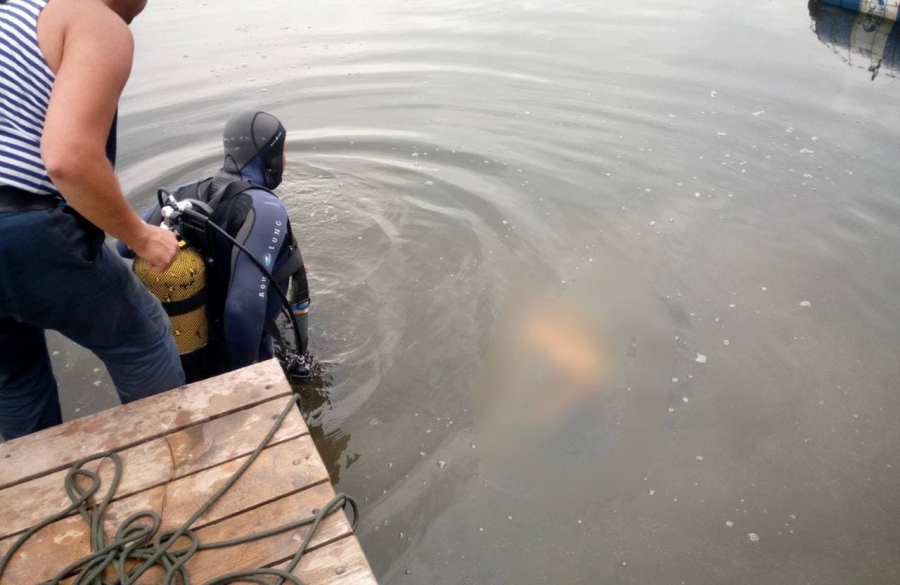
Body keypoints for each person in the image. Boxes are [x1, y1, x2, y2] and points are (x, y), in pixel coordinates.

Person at [0, 0, 185, 440]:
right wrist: (141, 237)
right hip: (22, 230)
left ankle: (39, 499)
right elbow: (68, 159)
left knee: (15, 379)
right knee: (142, 340)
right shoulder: (90, 18)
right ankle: (169, 471)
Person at [122, 109, 311, 380]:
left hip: (190, 341)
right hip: (247, 354)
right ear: (269, 157)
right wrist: (242, 381)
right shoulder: (265, 208)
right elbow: (242, 308)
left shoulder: (184, 193)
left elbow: (123, 246)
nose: (285, 161)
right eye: (283, 151)